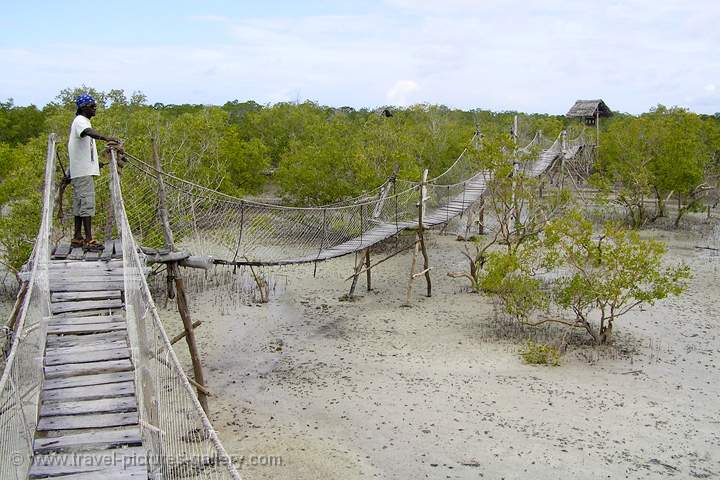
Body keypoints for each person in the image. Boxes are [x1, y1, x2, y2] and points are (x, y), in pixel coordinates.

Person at [67, 93, 122, 251]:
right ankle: (89, 240)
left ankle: (77, 238)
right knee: (87, 205)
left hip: (81, 170)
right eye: (92, 106)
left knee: (79, 206)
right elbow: (89, 132)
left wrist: (98, 163)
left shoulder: (81, 121)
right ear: (84, 108)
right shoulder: (80, 121)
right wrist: (106, 138)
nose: (95, 108)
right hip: (82, 172)